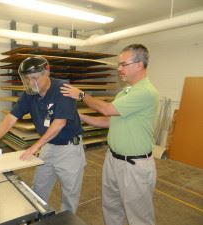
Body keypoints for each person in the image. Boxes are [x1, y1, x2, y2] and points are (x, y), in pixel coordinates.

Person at [60, 44, 159, 225]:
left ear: (139, 65)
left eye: (123, 64)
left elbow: (106, 110)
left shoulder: (145, 92)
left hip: (134, 165)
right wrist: (79, 116)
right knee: (111, 207)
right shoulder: (124, 92)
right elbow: (109, 121)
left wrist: (81, 95)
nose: (119, 69)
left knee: (139, 216)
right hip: (113, 160)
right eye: (118, 65)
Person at [0, 56, 86, 213]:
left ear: (46, 72)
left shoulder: (63, 89)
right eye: (27, 79)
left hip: (69, 150)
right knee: (38, 189)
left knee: (69, 195)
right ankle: (37, 217)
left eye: (34, 78)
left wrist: (35, 146)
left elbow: (59, 123)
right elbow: (10, 118)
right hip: (49, 146)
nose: (30, 83)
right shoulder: (30, 93)